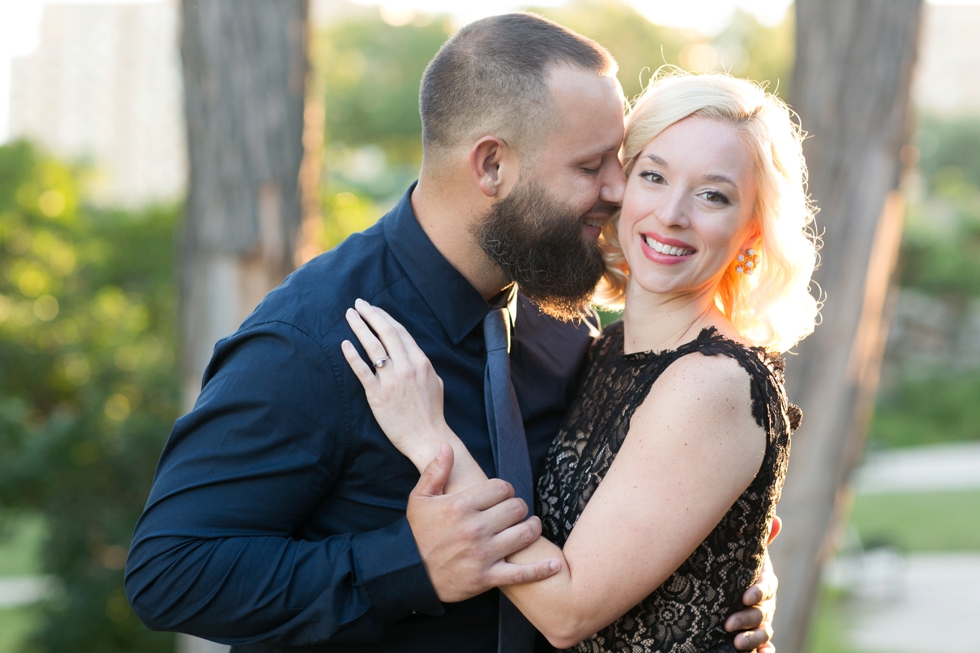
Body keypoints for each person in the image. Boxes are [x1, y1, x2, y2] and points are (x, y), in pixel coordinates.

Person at [125, 14, 777, 653]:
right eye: (590, 166)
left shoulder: (562, 315)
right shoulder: (317, 339)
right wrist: (404, 565)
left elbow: (629, 497)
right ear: (491, 166)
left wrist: (723, 570)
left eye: (621, 159)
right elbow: (169, 572)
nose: (618, 188)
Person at [339, 70, 817, 652]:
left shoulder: (711, 382)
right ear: (618, 186)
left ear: (751, 233)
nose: (671, 214)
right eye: (654, 176)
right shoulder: (606, 349)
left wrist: (427, 436)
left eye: (713, 195)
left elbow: (565, 611)